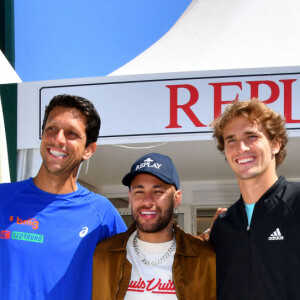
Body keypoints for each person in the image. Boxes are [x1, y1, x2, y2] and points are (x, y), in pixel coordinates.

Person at [0, 94, 127, 299]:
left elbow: (142, 263)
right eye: (52, 129)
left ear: (89, 150)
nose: (58, 139)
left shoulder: (102, 214)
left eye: (71, 133)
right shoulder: (3, 198)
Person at [209, 99, 300, 300]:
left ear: (276, 144)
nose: (241, 147)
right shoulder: (223, 226)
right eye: (231, 139)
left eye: (251, 136)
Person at [93, 152, 216, 300]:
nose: (147, 201)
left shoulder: (205, 258)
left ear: (177, 199)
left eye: (158, 191)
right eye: (139, 192)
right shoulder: (103, 255)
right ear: (130, 198)